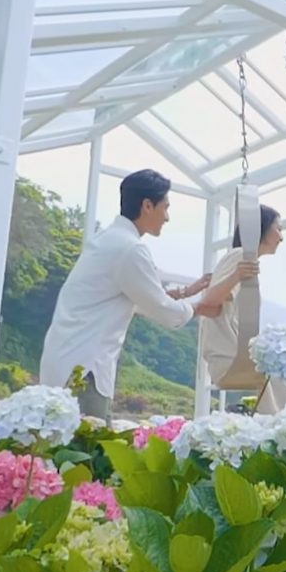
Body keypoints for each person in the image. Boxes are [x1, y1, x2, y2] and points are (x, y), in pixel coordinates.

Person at [40, 169, 257, 423]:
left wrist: (186, 292)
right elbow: (162, 309)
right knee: (86, 452)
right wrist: (199, 307)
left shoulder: (109, 240)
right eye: (165, 207)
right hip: (85, 368)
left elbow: (140, 298)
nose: (167, 217)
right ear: (147, 205)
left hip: (67, 359)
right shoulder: (131, 249)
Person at [199, 203, 286, 413]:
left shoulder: (244, 260)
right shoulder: (239, 255)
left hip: (233, 356)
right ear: (263, 228)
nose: (281, 237)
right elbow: (209, 302)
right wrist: (236, 276)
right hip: (228, 358)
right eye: (279, 228)